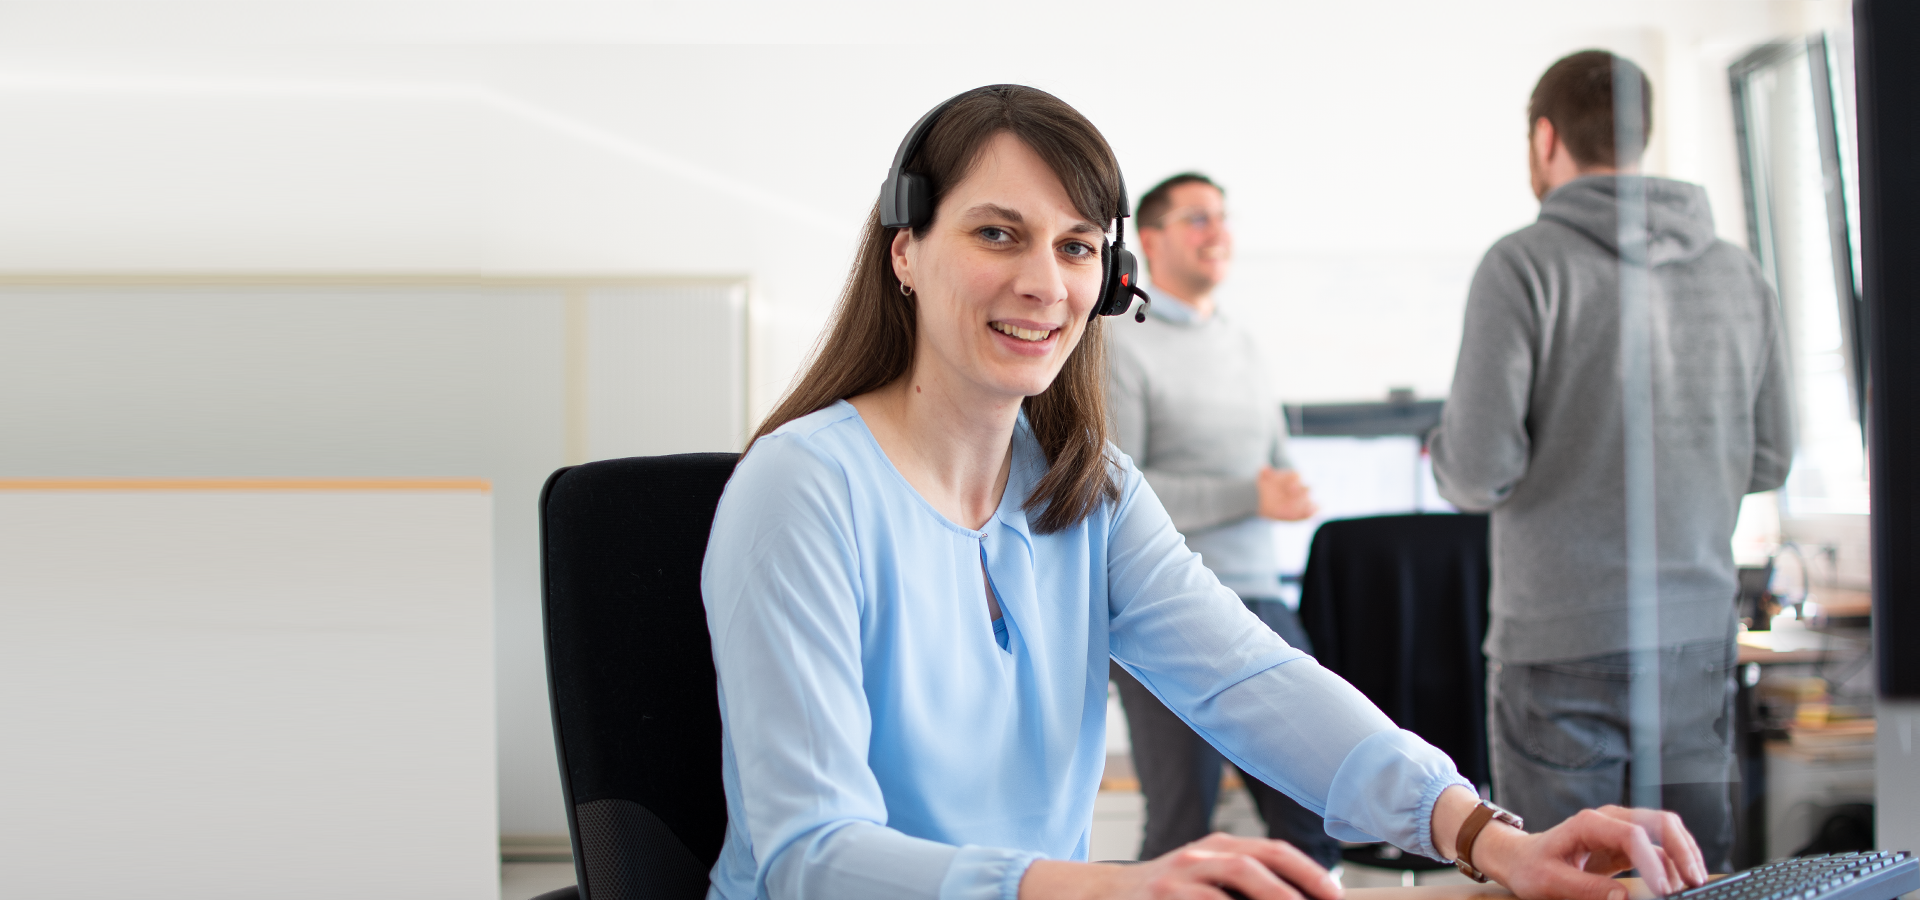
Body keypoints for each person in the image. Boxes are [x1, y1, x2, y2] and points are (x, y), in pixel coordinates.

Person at [703, 83, 1708, 900]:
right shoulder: (802, 489)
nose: (1046, 285)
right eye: (997, 234)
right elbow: (811, 854)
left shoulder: (1087, 493)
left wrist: (1486, 835)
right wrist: (1109, 889)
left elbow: (1253, 681)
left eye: (1076, 246)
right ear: (906, 251)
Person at [1428, 51, 1793, 873]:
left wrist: (1445, 449)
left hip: (1559, 643)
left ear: (1545, 138)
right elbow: (1768, 457)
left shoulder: (1522, 265)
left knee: (1569, 879)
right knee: (1697, 879)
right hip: (1695, 635)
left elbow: (1477, 472)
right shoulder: (1740, 272)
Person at [1104, 172, 1333, 866]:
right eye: (1198, 219)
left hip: (1260, 597)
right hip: (1163, 607)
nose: (1218, 233)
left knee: (1313, 809)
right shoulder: (1119, 344)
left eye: (1223, 218)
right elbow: (1118, 489)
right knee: (1183, 825)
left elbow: (1271, 462)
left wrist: (1283, 490)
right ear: (1150, 238)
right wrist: (1249, 496)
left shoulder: (1243, 343)